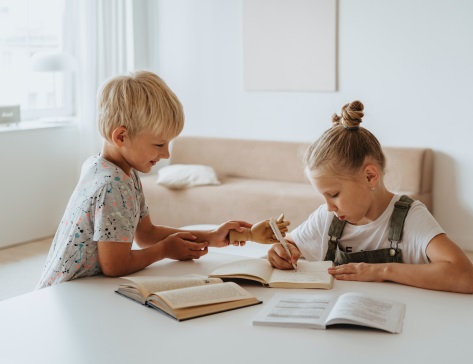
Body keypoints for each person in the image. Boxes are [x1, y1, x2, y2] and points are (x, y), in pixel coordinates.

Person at [36, 71, 288, 289]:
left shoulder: (106, 167)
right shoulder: (113, 186)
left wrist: (212, 236)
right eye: (159, 144)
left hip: (74, 287)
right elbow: (114, 265)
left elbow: (146, 234)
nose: (166, 154)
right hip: (69, 293)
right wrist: (164, 250)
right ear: (121, 136)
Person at [267, 100, 473, 294]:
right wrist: (283, 251)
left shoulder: (410, 218)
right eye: (324, 197)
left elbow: (466, 277)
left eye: (334, 194)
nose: (329, 207)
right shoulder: (327, 217)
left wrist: (382, 271)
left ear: (370, 176)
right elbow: (291, 244)